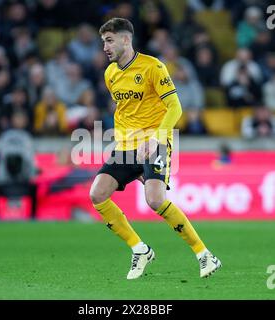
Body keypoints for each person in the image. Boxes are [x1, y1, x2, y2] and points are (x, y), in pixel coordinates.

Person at [89, 18, 221, 280]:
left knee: (155, 200)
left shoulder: (153, 66)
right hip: (126, 145)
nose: (105, 47)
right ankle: (140, 249)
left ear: (126, 39)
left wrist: (156, 138)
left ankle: (205, 255)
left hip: (155, 141)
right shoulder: (110, 74)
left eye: (109, 40)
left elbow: (175, 107)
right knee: (97, 194)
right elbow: (126, 110)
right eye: (103, 41)